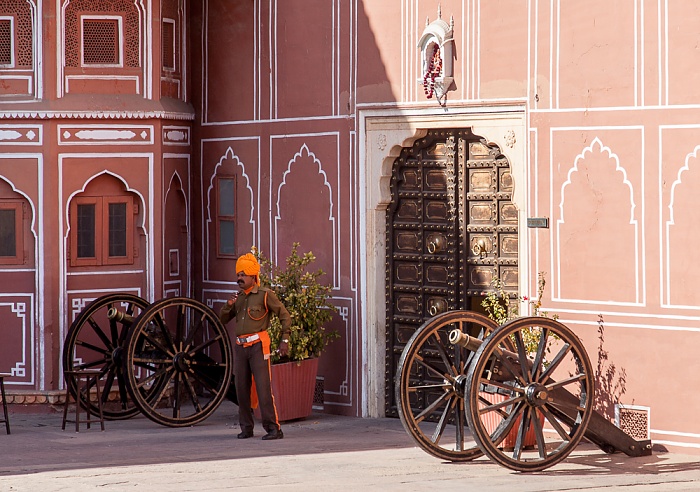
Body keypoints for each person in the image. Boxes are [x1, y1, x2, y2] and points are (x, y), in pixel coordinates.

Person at [220, 252, 292, 440]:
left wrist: (284, 340)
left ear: (253, 276)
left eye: (243, 275)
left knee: (263, 388)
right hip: (241, 347)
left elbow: (284, 315)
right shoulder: (239, 298)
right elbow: (222, 319)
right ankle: (246, 428)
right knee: (241, 389)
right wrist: (228, 305)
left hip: (259, 346)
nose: (239, 279)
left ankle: (273, 428)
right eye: (238, 275)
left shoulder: (264, 295)